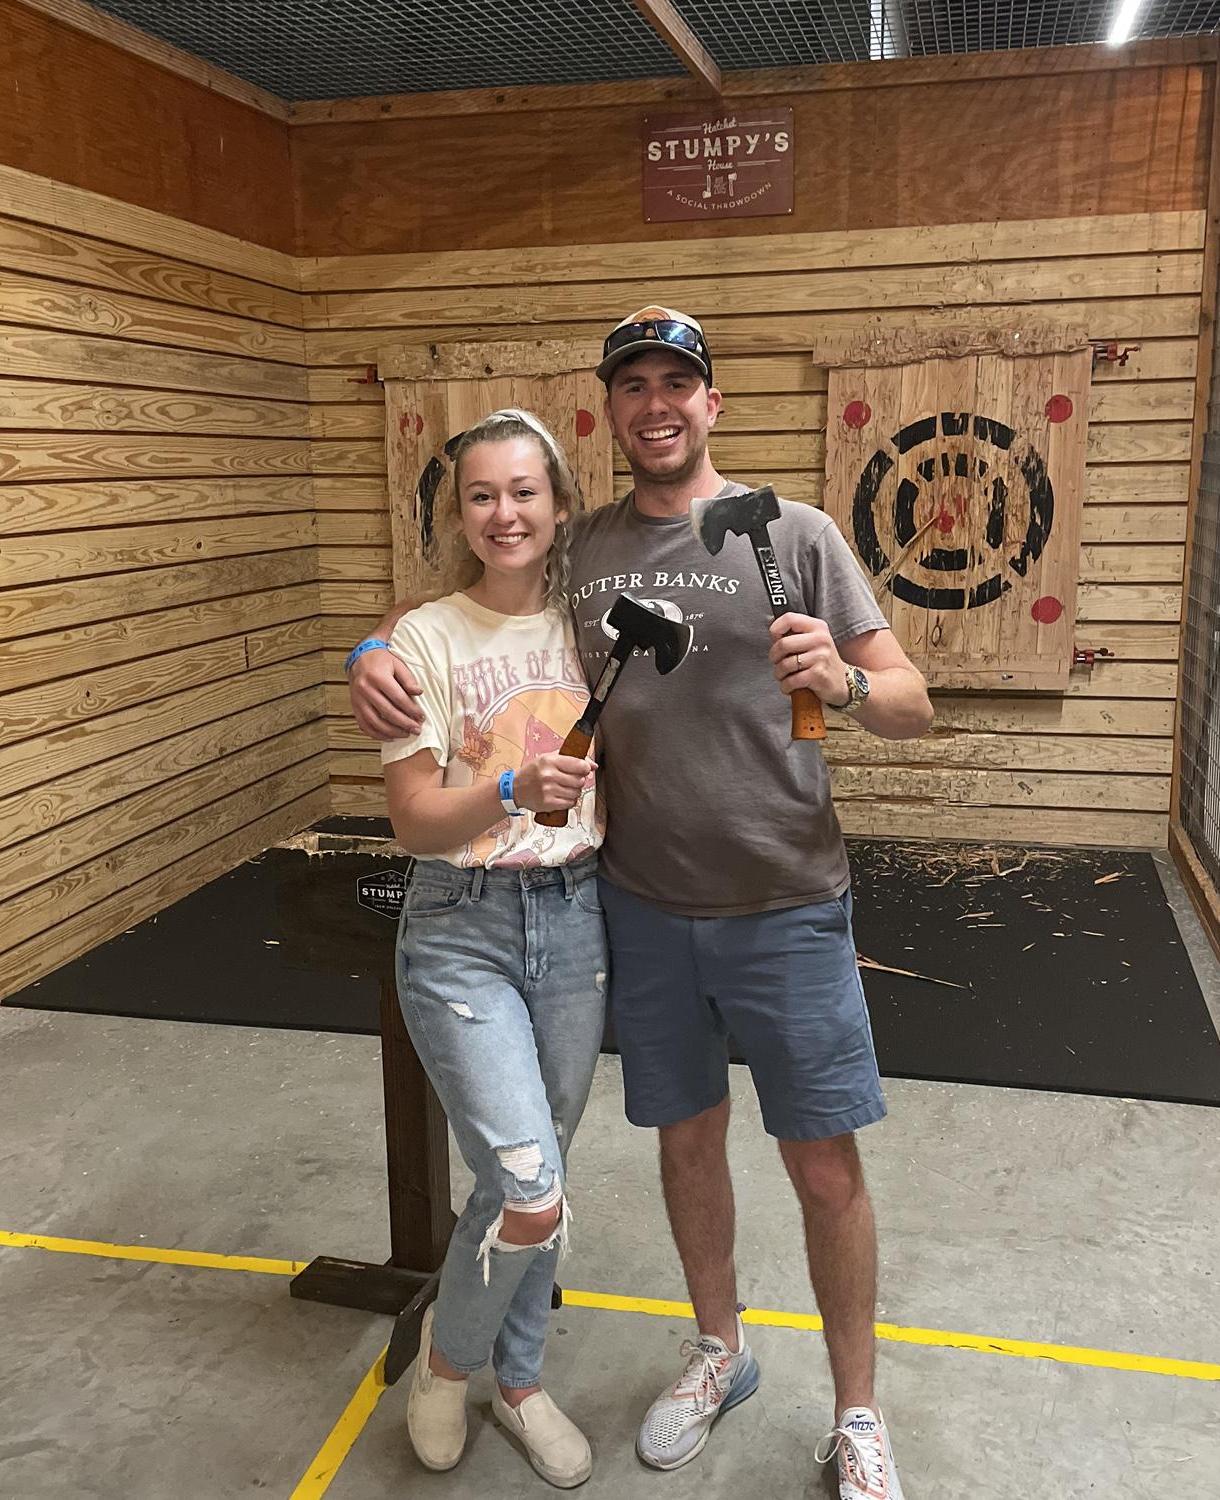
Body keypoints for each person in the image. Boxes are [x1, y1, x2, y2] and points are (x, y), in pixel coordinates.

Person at [353, 311, 934, 1500]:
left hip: (785, 902)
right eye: (634, 387)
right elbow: (479, 601)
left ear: (713, 403)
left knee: (824, 1168)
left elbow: (912, 697)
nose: (657, 404)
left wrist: (847, 683)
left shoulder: (796, 533)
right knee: (688, 1146)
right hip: (637, 910)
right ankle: (718, 1353)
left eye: (681, 382)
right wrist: (373, 650)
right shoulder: (585, 555)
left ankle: (860, 1412)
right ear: (609, 415)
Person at [377, 408, 606, 1490]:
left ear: (561, 505)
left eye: (525, 491)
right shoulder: (423, 638)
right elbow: (416, 822)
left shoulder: (595, 623)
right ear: (458, 511)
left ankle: (519, 1385)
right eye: (481, 494)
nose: (504, 512)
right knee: (528, 1187)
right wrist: (512, 787)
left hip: (577, 918)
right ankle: (449, 1364)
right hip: (460, 924)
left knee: (537, 1177)